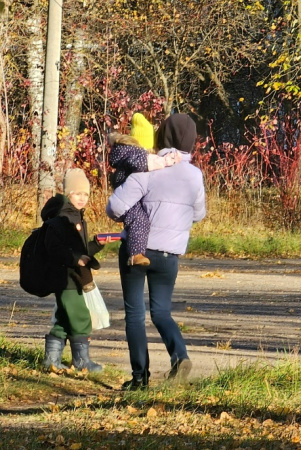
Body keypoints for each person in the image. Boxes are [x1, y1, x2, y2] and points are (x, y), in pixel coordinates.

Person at [106, 113, 206, 390]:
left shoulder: (149, 169)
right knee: (161, 312)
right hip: (169, 254)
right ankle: (180, 356)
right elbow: (199, 214)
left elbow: (115, 207)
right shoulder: (195, 175)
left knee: (135, 315)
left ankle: (140, 380)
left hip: (137, 251)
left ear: (162, 135)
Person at [40, 168, 109, 373]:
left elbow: (79, 250)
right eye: (77, 193)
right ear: (68, 193)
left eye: (86, 194)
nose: (82, 198)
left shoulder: (76, 216)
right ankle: (81, 362)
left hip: (72, 276)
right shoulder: (63, 218)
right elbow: (55, 248)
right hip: (67, 278)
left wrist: (96, 243)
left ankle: (51, 361)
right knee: (80, 316)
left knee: (64, 317)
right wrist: (75, 259)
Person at [108, 112, 181, 267]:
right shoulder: (134, 153)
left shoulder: (125, 151)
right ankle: (135, 254)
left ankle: (134, 247)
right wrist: (164, 161)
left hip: (127, 191)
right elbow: (142, 163)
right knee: (139, 220)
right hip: (128, 194)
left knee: (137, 219)